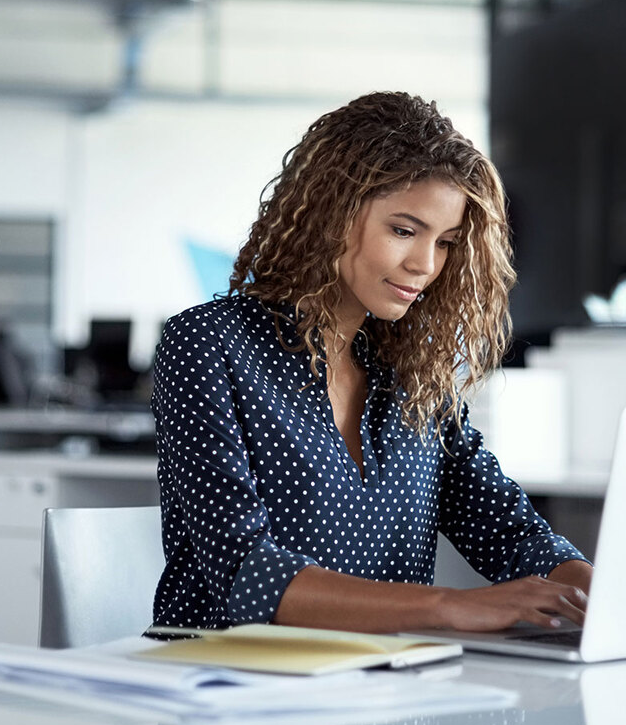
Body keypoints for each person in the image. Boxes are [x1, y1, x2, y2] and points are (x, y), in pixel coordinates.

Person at [152, 91, 592, 633]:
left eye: (447, 242)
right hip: (230, 688)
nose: (425, 265)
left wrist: (604, 597)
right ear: (327, 214)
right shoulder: (206, 344)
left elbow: (508, 531)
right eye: (403, 231)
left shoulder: (411, 372)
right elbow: (246, 573)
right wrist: (450, 605)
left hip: (387, 694)